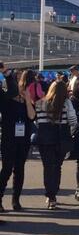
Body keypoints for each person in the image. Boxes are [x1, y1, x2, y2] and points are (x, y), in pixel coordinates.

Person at [35, 79, 77, 209]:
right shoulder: (66, 103)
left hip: (44, 139)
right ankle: (54, 194)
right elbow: (73, 121)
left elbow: (35, 121)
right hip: (61, 139)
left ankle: (50, 196)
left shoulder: (40, 103)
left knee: (47, 167)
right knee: (57, 166)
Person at [0, 69, 36, 212]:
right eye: (18, 78)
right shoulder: (7, 99)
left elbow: (32, 117)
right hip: (9, 138)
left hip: (23, 139)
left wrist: (27, 99)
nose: (21, 82)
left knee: (19, 169)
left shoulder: (27, 98)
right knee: (7, 168)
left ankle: (16, 200)